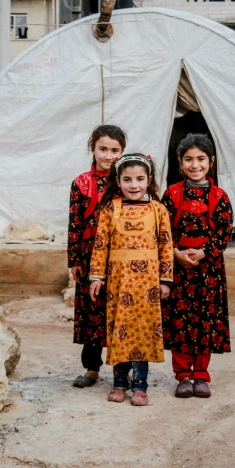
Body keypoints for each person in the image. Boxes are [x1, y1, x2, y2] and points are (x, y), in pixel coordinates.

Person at [88, 154, 174, 406]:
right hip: (118, 283)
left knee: (142, 332)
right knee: (119, 331)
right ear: (118, 181)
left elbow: (166, 246)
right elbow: (100, 245)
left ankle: (140, 385)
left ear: (149, 180)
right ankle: (119, 383)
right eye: (127, 179)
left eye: (139, 179)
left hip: (147, 286)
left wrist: (165, 280)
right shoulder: (110, 210)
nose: (133, 185)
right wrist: (97, 276)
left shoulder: (159, 210)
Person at [161, 134, 233, 399]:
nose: (195, 164)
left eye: (201, 159)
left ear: (211, 161)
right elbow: (162, 230)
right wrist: (175, 253)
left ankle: (201, 375)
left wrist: (204, 253)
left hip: (209, 271)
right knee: (180, 322)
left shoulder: (219, 196)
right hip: (179, 269)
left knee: (205, 322)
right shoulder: (171, 194)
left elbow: (225, 233)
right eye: (188, 159)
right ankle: (182, 376)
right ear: (180, 163)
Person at [68, 125, 126, 388]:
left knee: (121, 311)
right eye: (103, 149)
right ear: (93, 148)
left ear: (122, 152)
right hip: (90, 258)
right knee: (91, 312)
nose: (108, 155)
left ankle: (122, 369)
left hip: (121, 258)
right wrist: (75, 260)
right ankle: (92, 368)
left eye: (115, 150)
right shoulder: (81, 183)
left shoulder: (127, 181)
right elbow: (75, 224)